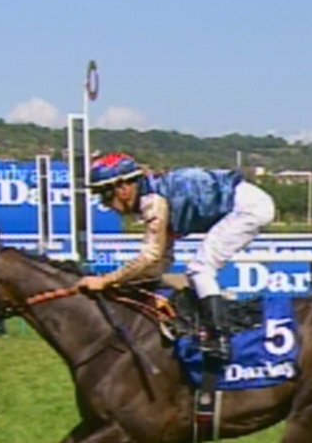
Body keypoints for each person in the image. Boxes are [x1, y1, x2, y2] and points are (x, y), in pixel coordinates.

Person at [75, 153, 277, 363]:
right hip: (247, 203)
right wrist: (130, 283)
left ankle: (219, 339)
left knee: (200, 269)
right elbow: (163, 258)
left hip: (247, 208)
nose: (105, 204)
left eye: (105, 195)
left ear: (123, 188)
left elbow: (150, 256)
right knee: (196, 271)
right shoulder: (157, 196)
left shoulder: (153, 201)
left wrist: (106, 280)